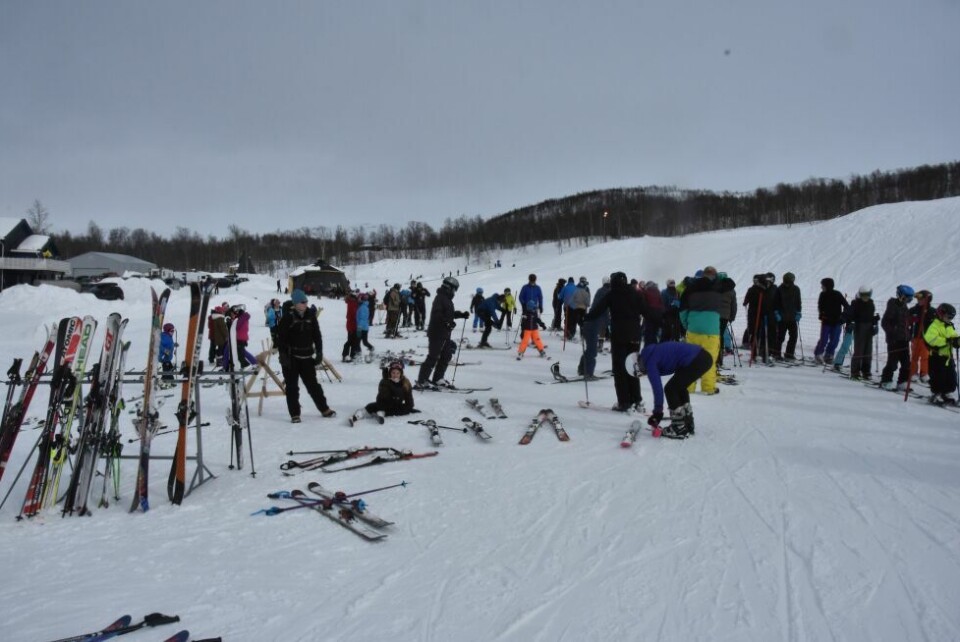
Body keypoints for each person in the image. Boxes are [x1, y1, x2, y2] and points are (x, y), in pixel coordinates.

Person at [583, 271, 657, 412]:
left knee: (620, 369)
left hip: (619, 337)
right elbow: (647, 311)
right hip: (634, 336)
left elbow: (598, 310)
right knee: (633, 368)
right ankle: (637, 400)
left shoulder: (612, 294)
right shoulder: (636, 293)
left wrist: (585, 318)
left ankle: (624, 402)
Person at [275, 289, 336, 422]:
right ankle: (295, 414)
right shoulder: (287, 317)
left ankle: (324, 409)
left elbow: (317, 335)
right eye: (303, 302)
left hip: (307, 357)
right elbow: (281, 339)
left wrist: (319, 352)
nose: (305, 304)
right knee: (292, 387)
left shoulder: (310, 315)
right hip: (291, 358)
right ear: (296, 303)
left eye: (306, 301)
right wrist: (283, 356)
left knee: (313, 386)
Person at [635, 341, 714, 439]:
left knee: (670, 389)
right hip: (703, 356)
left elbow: (657, 389)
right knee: (679, 387)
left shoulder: (650, 362)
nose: (642, 374)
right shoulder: (651, 352)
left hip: (696, 359)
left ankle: (678, 427)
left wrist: (657, 412)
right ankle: (687, 422)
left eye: (639, 372)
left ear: (637, 365)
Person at [679, 266, 734, 394]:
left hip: (694, 329)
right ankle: (708, 388)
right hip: (711, 330)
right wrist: (719, 277)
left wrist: (687, 325)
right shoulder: (718, 286)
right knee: (709, 360)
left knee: (691, 360)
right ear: (714, 276)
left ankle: (689, 387)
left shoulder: (690, 288)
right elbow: (731, 283)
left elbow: (683, 310)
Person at [415, 277, 470, 389]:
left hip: (444, 333)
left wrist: (461, 314)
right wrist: (447, 323)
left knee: (446, 356)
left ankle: (438, 378)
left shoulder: (446, 299)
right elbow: (437, 314)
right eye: (454, 289)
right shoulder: (440, 298)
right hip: (437, 332)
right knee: (433, 356)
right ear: (449, 287)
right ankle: (422, 381)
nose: (454, 292)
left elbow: (449, 314)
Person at [352, 360, 416, 424]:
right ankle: (357, 416)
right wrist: (389, 383)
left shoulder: (405, 383)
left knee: (406, 409)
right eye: (393, 373)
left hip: (396, 405)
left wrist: (409, 407)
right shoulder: (385, 381)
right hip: (384, 403)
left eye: (397, 373)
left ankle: (382, 413)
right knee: (371, 406)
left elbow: (409, 397)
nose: (395, 375)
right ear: (390, 373)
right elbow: (384, 396)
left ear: (401, 374)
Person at [922, 303, 959, 405]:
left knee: (951, 379)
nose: (950, 319)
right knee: (939, 378)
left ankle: (946, 393)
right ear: (941, 313)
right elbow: (931, 339)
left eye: (952, 317)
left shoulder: (949, 326)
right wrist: (947, 341)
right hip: (937, 357)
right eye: (949, 317)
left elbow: (953, 336)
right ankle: (937, 394)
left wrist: (957, 340)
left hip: (948, 357)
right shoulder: (934, 325)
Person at [880, 284, 915, 390]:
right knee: (892, 362)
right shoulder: (892, 305)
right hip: (894, 340)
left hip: (904, 339)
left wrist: (909, 331)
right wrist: (892, 332)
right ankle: (886, 381)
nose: (907, 301)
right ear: (899, 295)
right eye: (905, 298)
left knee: (906, 363)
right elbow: (885, 322)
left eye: (909, 299)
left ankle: (902, 382)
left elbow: (905, 323)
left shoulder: (904, 307)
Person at [578, 275, 611, 377]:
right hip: (593, 323)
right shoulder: (606, 293)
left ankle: (582, 369)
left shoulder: (601, 291)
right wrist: (609, 324)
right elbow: (604, 311)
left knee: (590, 349)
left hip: (591, 322)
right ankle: (588, 372)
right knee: (592, 351)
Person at [814, 277, 849, 364]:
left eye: (823, 285)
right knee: (824, 339)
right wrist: (821, 314)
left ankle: (829, 355)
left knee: (835, 340)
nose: (821, 287)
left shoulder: (837, 294)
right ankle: (818, 354)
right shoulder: (822, 295)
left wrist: (843, 317)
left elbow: (847, 306)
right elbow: (820, 306)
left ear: (828, 286)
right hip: (826, 321)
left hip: (837, 322)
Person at [848, 285, 878, 380]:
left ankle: (866, 371)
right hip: (859, 328)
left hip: (868, 328)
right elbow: (851, 315)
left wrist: (874, 321)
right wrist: (851, 323)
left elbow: (870, 316)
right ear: (860, 295)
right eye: (863, 295)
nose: (865, 297)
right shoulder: (856, 304)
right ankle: (855, 372)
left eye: (867, 295)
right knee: (859, 351)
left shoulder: (871, 304)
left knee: (868, 351)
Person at [774, 272, 802, 360]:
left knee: (793, 336)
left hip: (792, 317)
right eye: (786, 281)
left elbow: (798, 302)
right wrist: (776, 313)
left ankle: (789, 354)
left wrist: (798, 312)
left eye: (789, 281)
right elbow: (775, 303)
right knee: (780, 337)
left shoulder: (796, 289)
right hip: (782, 318)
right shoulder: (779, 289)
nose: (787, 283)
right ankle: (776, 354)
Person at [909, 290, 933, 383]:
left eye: (921, 299)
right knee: (914, 356)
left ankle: (924, 373)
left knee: (925, 356)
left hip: (926, 338)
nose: (918, 301)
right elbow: (907, 321)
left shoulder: (932, 311)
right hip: (915, 336)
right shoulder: (913, 310)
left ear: (927, 300)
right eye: (918, 299)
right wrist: (911, 320)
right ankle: (913, 373)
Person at [341, 291, 361, 362]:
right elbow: (354, 315)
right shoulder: (352, 303)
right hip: (352, 326)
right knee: (350, 341)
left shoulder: (353, 303)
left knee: (354, 341)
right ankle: (345, 355)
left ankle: (352, 355)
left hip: (353, 325)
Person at [356, 292, 375, 357]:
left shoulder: (362, 307)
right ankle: (371, 348)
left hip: (361, 327)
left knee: (358, 341)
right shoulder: (365, 306)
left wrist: (359, 326)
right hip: (365, 327)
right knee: (364, 341)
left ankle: (358, 353)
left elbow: (362, 318)